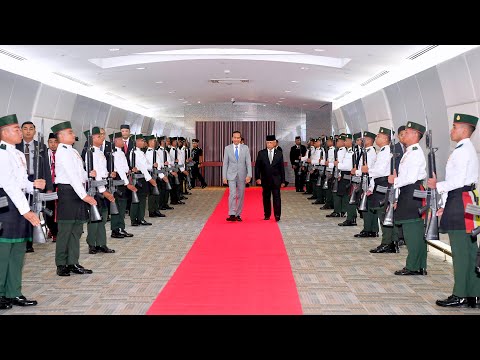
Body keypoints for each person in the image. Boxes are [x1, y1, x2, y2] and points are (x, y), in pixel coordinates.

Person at [428, 113, 480, 308]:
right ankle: (474, 293)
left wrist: (437, 185)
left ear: (465, 130)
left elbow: (457, 182)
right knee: (469, 249)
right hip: (465, 201)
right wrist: (444, 205)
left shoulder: (462, 151)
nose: (452, 130)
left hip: (461, 202)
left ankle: (460, 294)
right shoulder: (466, 149)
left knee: (460, 251)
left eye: (455, 127)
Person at [0, 114, 45, 309]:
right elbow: (8, 184)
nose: (20, 132)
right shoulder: (1, 153)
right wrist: (27, 211)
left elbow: (20, 181)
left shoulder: (17, 153)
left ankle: (13, 292)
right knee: (3, 252)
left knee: (18, 250)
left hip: (19, 203)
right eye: (16, 129)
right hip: (5, 205)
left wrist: (32, 184)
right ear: (4, 133)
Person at [51, 121, 95, 277]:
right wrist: (84, 196)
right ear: (61, 136)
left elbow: (80, 173)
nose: (73, 134)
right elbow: (71, 176)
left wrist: (89, 175)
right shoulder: (62, 152)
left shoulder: (73, 151)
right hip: (68, 192)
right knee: (65, 230)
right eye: (69, 132)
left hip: (77, 190)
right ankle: (61, 264)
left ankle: (73, 262)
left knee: (76, 230)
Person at [388, 121, 427, 276]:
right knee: (414, 231)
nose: (405, 134)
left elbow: (409, 178)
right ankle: (419, 265)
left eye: (408, 132)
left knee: (412, 231)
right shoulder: (410, 151)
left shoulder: (415, 152)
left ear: (416, 135)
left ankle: (413, 266)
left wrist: (394, 181)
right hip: (409, 192)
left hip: (412, 192)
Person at [17, 121, 53, 253]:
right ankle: (23, 239)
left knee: (34, 210)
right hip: (20, 181)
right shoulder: (15, 146)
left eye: (30, 129)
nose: (27, 131)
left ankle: (30, 241)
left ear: (34, 131)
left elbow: (46, 168)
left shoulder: (41, 146)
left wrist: (49, 186)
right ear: (21, 131)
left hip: (36, 180)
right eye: (25, 129)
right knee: (22, 210)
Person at [82, 127, 116, 254]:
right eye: (100, 136)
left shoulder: (99, 152)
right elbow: (94, 174)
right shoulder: (89, 153)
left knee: (103, 216)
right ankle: (92, 243)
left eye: (103, 135)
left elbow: (101, 172)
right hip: (95, 189)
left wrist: (109, 174)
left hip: (102, 186)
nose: (103, 137)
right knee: (94, 217)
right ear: (93, 138)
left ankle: (102, 243)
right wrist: (104, 191)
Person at [367, 127, 400, 253]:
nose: (376, 138)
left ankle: (388, 242)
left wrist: (366, 171)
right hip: (380, 183)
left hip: (384, 184)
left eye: (379, 136)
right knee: (384, 213)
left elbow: (380, 171)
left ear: (386, 138)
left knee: (384, 213)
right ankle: (391, 241)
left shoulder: (386, 151)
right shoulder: (383, 151)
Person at [109, 132, 136, 239]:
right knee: (118, 206)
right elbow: (119, 170)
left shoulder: (120, 152)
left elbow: (123, 168)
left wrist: (129, 170)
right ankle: (115, 229)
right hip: (119, 181)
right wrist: (127, 183)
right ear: (115, 141)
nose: (123, 142)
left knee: (122, 206)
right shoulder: (114, 153)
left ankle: (121, 228)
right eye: (121, 140)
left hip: (123, 179)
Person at [222, 130, 252, 222]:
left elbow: (248, 163)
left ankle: (238, 214)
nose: (236, 139)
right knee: (232, 194)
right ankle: (231, 213)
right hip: (231, 175)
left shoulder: (245, 148)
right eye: (234, 137)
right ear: (232, 138)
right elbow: (225, 163)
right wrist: (224, 177)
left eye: (238, 138)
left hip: (242, 175)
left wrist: (249, 175)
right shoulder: (227, 148)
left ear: (240, 138)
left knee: (241, 195)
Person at [255, 135, 286, 221]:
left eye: (270, 142)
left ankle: (277, 215)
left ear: (274, 143)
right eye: (267, 143)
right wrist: (257, 178)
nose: (269, 144)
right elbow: (257, 167)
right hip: (265, 179)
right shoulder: (261, 153)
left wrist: (283, 180)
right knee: (266, 197)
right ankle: (267, 214)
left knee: (276, 197)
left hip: (276, 180)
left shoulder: (279, 153)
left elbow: (281, 168)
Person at [45, 132, 58, 242]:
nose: (53, 144)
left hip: (59, 184)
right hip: (48, 185)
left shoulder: (62, 154)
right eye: (50, 142)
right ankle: (52, 229)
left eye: (55, 142)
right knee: (49, 209)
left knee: (58, 209)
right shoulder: (44, 154)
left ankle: (56, 231)